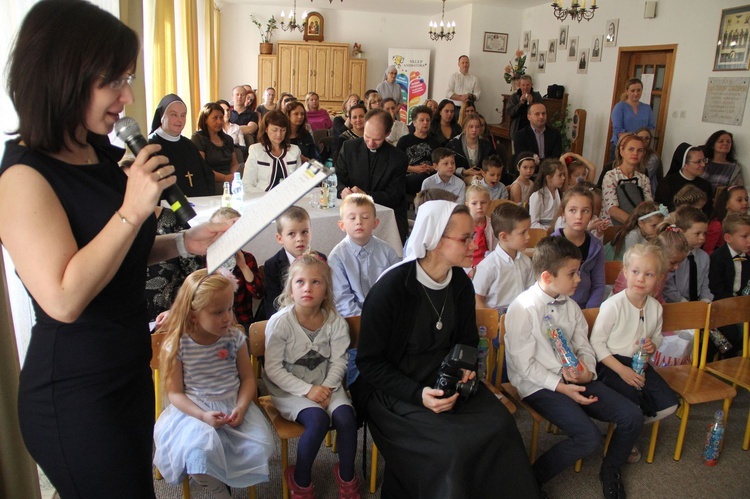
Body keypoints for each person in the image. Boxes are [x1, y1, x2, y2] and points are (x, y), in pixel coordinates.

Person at [0, 2, 231, 496]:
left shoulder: (97, 150)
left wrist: (180, 242)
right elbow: (64, 296)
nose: (128, 97)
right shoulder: (23, 177)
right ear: (66, 74)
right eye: (114, 81)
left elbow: (113, 255)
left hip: (125, 372)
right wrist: (131, 209)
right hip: (75, 391)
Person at [352, 200, 541, 498]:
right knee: (452, 448)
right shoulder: (391, 289)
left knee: (501, 425)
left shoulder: (460, 286)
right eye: (466, 237)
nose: (475, 243)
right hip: (396, 389)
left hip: (446, 379)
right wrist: (418, 395)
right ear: (436, 239)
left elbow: (465, 341)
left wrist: (467, 369)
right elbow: (370, 363)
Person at [505, 237, 643, 498]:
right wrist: (562, 388)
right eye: (572, 273)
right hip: (540, 385)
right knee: (588, 438)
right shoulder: (522, 308)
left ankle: (610, 468)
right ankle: (531, 479)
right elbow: (523, 366)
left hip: (575, 377)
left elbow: (584, 347)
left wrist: (587, 372)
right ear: (547, 275)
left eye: (578, 272)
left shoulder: (570, 305)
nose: (579, 279)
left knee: (632, 416)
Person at [152, 269, 274, 497]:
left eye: (229, 308)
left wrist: (242, 406)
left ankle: (224, 474)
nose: (228, 317)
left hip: (233, 404)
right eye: (218, 312)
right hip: (194, 411)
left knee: (260, 446)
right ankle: (218, 490)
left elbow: (248, 378)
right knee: (197, 452)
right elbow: (176, 393)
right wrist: (202, 416)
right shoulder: (177, 345)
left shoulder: (234, 337)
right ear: (194, 315)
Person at [264, 255, 360, 497]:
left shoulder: (335, 322)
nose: (307, 288)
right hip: (291, 390)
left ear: (326, 289)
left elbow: (340, 360)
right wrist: (308, 391)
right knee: (317, 421)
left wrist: (326, 388)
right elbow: (273, 369)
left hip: (327, 385)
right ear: (290, 288)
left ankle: (347, 477)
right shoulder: (280, 323)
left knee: (348, 419)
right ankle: (300, 479)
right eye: (300, 282)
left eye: (316, 282)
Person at [590, 244, 680, 463]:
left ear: (658, 279)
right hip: (611, 364)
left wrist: (653, 345)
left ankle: (626, 428)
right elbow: (597, 343)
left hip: (638, 363)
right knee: (632, 403)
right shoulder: (613, 305)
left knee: (670, 404)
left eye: (648, 274)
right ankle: (624, 435)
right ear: (625, 273)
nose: (641, 279)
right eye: (636, 272)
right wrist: (622, 371)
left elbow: (657, 336)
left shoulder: (655, 308)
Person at [336, 109, 409, 243]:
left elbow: (394, 196)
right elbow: (339, 178)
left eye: (377, 139)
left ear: (387, 133)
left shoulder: (398, 158)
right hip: (351, 209)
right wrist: (342, 190)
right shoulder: (349, 148)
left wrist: (366, 195)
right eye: (367, 137)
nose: (370, 143)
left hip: (383, 211)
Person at [329, 193, 400, 319]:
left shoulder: (388, 252)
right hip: (354, 320)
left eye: (365, 217)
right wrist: (365, 320)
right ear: (342, 225)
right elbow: (342, 300)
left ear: (375, 223)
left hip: (386, 315)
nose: (359, 222)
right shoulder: (337, 257)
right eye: (352, 218)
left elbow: (397, 288)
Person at [263, 206, 327, 319]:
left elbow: (326, 296)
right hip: (284, 320)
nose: (299, 238)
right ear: (280, 238)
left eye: (304, 232)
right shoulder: (272, 265)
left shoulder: (320, 260)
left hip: (315, 317)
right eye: (292, 234)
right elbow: (273, 305)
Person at [148, 93, 216, 197]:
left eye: (183, 115)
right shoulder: (151, 146)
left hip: (200, 205)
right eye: (174, 115)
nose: (179, 120)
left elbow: (207, 175)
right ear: (162, 117)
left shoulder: (189, 145)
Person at [551, 185, 606, 309]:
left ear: (592, 214)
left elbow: (598, 285)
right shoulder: (551, 244)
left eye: (585, 211)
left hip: (585, 308)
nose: (579, 216)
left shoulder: (596, 246)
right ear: (563, 213)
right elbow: (546, 284)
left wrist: (589, 311)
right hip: (556, 308)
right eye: (572, 210)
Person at [209, 208, 265, 327]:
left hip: (241, 321)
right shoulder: (206, 259)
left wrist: (243, 267)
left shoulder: (247, 258)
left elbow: (258, 294)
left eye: (230, 233)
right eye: (219, 232)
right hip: (212, 319)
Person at [474, 202, 533, 311]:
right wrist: (493, 320)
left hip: (523, 313)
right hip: (496, 316)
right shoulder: (488, 265)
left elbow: (531, 292)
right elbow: (477, 298)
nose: (528, 237)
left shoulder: (526, 262)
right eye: (523, 233)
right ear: (504, 236)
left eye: (528, 231)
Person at [708, 212, 750, 357]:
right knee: (731, 332)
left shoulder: (747, 257)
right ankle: (724, 360)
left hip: (741, 306)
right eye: (744, 236)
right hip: (722, 306)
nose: (749, 240)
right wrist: (735, 305)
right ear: (728, 238)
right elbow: (716, 289)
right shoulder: (717, 258)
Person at [662, 206, 712, 303]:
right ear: (680, 231)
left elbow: (705, 285)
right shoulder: (672, 256)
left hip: (697, 305)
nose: (702, 238)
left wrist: (705, 300)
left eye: (705, 233)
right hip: (675, 305)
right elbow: (667, 287)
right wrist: (685, 304)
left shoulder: (704, 257)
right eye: (697, 233)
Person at [244, 110, 302, 192]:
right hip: (262, 199)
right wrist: (268, 197)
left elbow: (299, 182)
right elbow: (247, 185)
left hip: (289, 198)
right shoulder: (256, 150)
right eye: (275, 130)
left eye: (283, 130)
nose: (279, 134)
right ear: (266, 129)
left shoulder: (295, 150)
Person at [602, 134, 653, 225]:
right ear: (622, 152)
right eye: (631, 149)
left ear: (643, 154)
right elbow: (613, 210)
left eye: (640, 150)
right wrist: (637, 224)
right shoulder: (611, 176)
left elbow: (648, 207)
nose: (635, 153)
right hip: (612, 227)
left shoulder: (644, 179)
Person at [192, 102, 240, 193]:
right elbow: (202, 168)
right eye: (215, 118)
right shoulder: (198, 138)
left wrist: (233, 176)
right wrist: (225, 178)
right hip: (210, 181)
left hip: (229, 179)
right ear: (205, 119)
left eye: (221, 118)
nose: (219, 121)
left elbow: (234, 164)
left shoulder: (228, 139)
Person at [655, 144, 713, 215]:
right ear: (685, 164)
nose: (703, 165)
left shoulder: (706, 185)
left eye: (704, 160)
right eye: (698, 162)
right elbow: (662, 210)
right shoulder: (667, 183)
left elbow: (708, 212)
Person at [396, 105, 439, 194]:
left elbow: (440, 164)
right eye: (422, 120)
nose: (425, 123)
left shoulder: (435, 142)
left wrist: (431, 168)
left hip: (430, 176)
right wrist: (415, 169)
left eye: (428, 120)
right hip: (410, 177)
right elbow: (397, 165)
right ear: (414, 123)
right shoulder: (404, 141)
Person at [609, 78, 655, 161]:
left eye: (638, 90)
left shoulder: (647, 108)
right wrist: (632, 142)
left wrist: (644, 140)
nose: (636, 93)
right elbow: (618, 129)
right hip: (622, 147)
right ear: (627, 91)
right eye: (632, 91)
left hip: (640, 149)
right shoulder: (620, 107)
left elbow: (651, 127)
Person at [447, 115, 496, 183]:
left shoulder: (486, 145)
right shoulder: (454, 144)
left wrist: (483, 171)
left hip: (482, 177)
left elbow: (493, 164)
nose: (474, 130)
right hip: (459, 178)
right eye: (471, 126)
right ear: (465, 128)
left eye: (477, 127)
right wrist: (464, 172)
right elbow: (446, 166)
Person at [704, 185, 748, 255]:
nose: (745, 203)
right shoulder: (717, 225)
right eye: (739, 200)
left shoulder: (746, 222)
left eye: (746, 199)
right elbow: (708, 250)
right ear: (726, 203)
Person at [464, 185, 497, 269]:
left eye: (483, 202)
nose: (479, 207)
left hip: (488, 266)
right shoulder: (462, 226)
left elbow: (495, 250)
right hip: (467, 267)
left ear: (489, 203)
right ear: (467, 205)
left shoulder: (493, 224)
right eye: (474, 203)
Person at [528, 158, 566, 229]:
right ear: (549, 178)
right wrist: (548, 232)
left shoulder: (559, 194)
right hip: (542, 232)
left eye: (563, 175)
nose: (563, 178)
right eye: (560, 175)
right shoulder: (537, 196)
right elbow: (533, 223)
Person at [508, 76, 543, 141]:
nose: (525, 88)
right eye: (523, 85)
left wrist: (531, 103)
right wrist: (520, 103)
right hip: (517, 129)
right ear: (520, 85)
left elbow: (540, 113)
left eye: (528, 85)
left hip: (533, 131)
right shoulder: (514, 97)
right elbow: (511, 113)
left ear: (531, 85)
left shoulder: (537, 96)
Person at [635, 127, 662, 194]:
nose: (644, 140)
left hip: (647, 192)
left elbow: (641, 178)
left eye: (647, 138)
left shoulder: (653, 158)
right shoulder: (632, 153)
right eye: (640, 138)